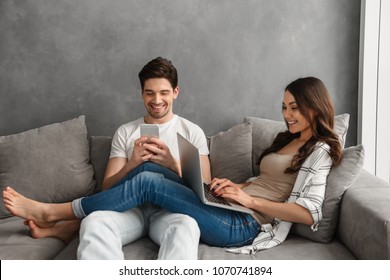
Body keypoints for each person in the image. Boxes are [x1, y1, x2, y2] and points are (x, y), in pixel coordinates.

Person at [3, 77, 342, 252]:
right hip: (230, 205)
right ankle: (68, 226)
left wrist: (248, 200)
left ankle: (56, 213)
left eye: (295, 107)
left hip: (245, 225)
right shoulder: (288, 139)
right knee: (148, 168)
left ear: (315, 106)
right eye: (284, 107)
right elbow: (270, 181)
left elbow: (309, 212)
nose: (287, 114)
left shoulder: (321, 150)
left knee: (147, 182)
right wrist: (237, 188)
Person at [7, 57, 212, 260]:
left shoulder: (191, 132)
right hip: (130, 211)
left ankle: (59, 218)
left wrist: (173, 165)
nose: (156, 100)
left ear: (176, 92)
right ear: (141, 94)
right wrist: (132, 164)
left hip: (170, 212)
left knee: (187, 226)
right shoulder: (126, 132)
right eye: (150, 93)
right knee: (94, 222)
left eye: (164, 93)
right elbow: (107, 188)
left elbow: (205, 189)